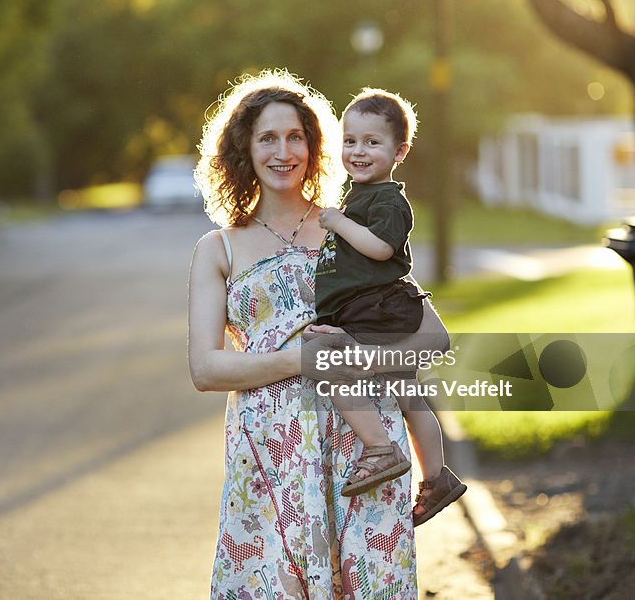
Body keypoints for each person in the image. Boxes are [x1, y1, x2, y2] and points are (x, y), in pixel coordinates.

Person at [187, 69, 449, 599]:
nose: (283, 151)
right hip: (272, 458)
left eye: (295, 137)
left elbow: (432, 339)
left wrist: (354, 359)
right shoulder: (220, 249)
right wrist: (302, 361)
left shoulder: (351, 226)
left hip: (366, 455)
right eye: (267, 138)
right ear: (244, 148)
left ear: (313, 145)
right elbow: (205, 369)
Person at [308, 88, 466, 526]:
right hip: (372, 307)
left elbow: (379, 249)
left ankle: (379, 448)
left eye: (372, 143)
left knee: (333, 367)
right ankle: (437, 477)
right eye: (350, 140)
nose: (358, 151)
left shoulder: (388, 201)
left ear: (400, 151)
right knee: (410, 393)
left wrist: (338, 222)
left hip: (379, 309)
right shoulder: (361, 196)